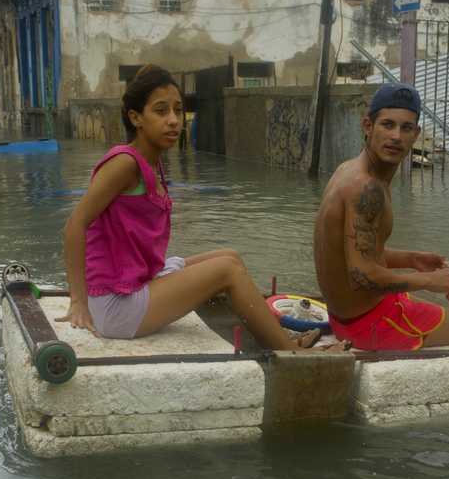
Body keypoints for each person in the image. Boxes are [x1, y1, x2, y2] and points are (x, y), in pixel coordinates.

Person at [60, 64, 336, 350]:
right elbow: (75, 226)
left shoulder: (151, 165)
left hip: (136, 282)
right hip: (114, 306)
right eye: (160, 110)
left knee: (230, 256)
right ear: (136, 117)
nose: (173, 120)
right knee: (227, 270)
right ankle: (289, 352)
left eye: (178, 110)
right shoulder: (124, 164)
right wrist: (79, 302)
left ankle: (270, 333)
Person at [312, 83, 449, 351]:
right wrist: (429, 281)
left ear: (416, 135)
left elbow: (356, 251)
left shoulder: (350, 170)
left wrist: (412, 259)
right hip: (368, 324)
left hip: (350, 316)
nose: (396, 136)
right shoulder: (366, 188)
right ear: (367, 126)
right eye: (387, 125)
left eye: (405, 128)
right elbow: (362, 275)